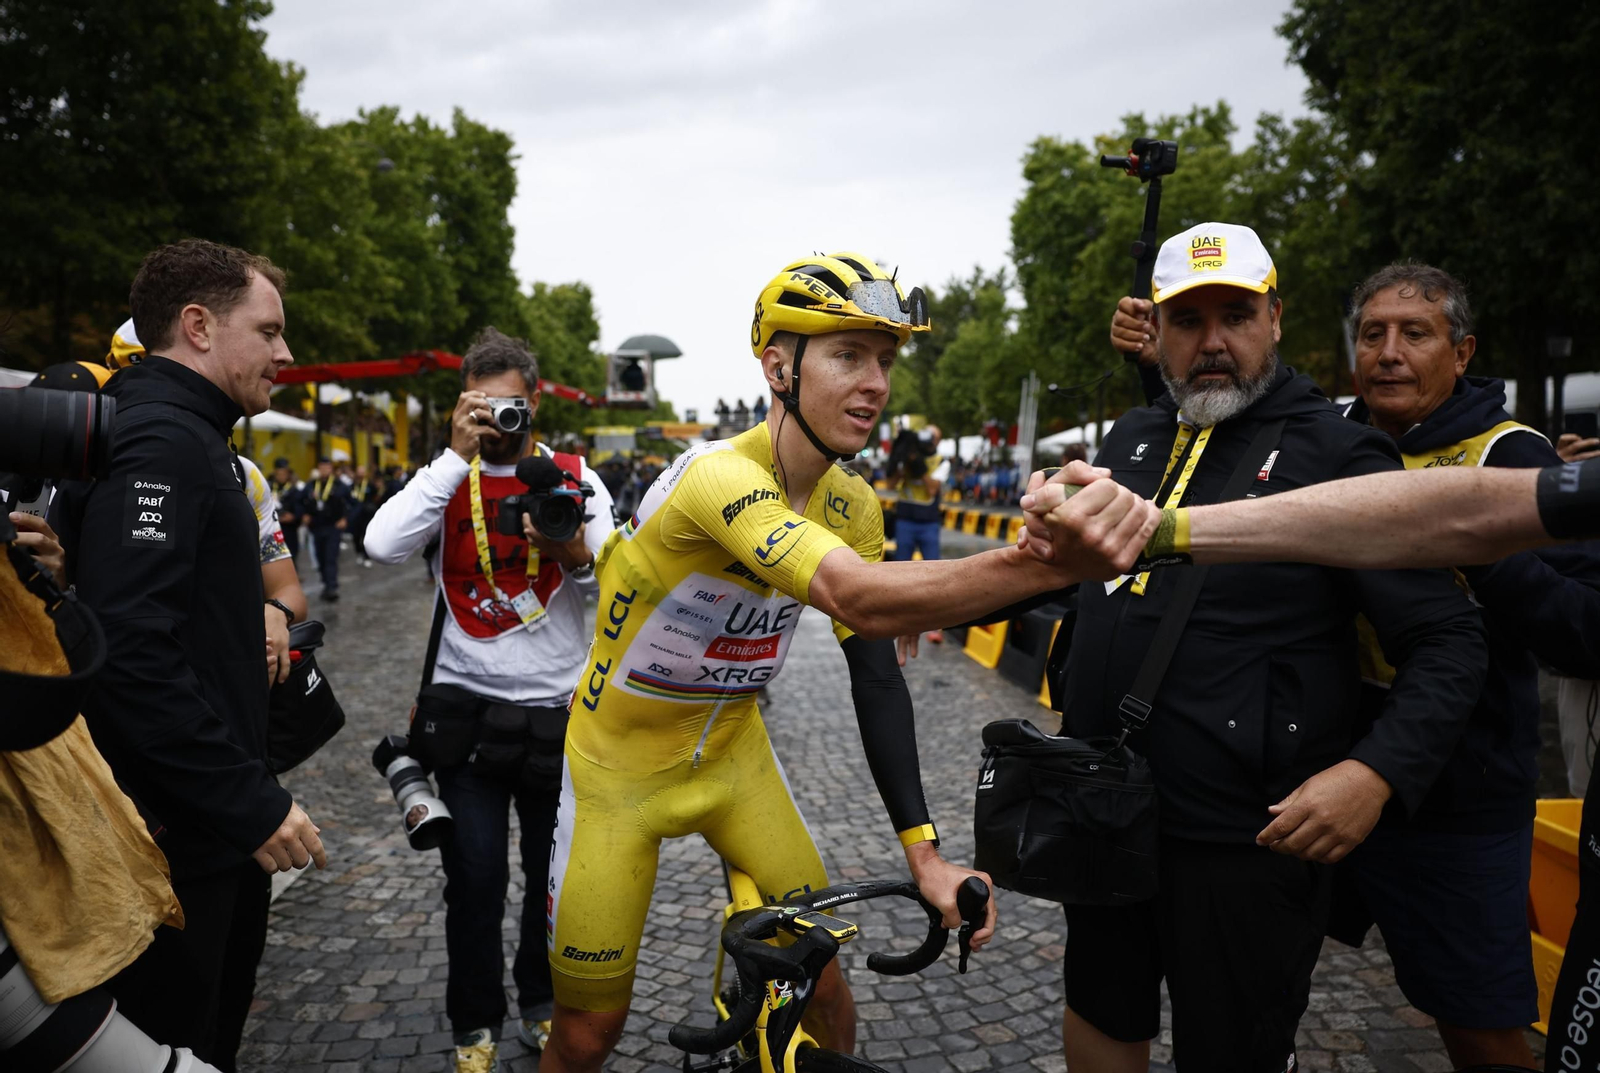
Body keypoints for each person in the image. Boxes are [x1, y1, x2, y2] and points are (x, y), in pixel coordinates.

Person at [540, 252, 1181, 1072]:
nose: (876, 382)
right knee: (589, 1034)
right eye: (848, 355)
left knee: (827, 993)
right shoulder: (715, 477)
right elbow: (861, 597)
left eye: (884, 359)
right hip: (615, 775)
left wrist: (925, 854)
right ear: (778, 365)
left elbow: (876, 672)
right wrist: (1053, 562)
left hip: (734, 757)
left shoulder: (853, 504)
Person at [1110, 261, 1600, 1067]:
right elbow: (1222, 403)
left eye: (1417, 334)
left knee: (1476, 1023)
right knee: (1266, 997)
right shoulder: (1331, 435)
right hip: (1317, 778)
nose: (1390, 353)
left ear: (1463, 350)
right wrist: (1155, 352)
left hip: (1457, 795)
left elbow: (1583, 631)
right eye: (1373, 334)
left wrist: (1455, 534)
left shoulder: (1514, 455)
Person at [1029, 222, 1487, 1073]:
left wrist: (1374, 774)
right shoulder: (1131, 435)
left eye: (1234, 315)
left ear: (1274, 318)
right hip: (1102, 805)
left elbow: (1449, 637)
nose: (1212, 343)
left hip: (1247, 839)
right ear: (1154, 329)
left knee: (1232, 1048)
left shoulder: (1338, 449)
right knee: (1099, 1011)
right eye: (1188, 319)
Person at [49, 239, 326, 1069]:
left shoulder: (179, 432)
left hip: (190, 829)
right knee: (186, 1045)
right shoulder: (166, 442)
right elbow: (131, 653)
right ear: (198, 326)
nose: (285, 355)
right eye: (269, 331)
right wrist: (249, 802)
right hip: (175, 843)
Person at [363, 327, 616, 1072]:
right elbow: (379, 545)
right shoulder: (446, 480)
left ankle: (543, 1005)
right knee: (474, 880)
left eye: (510, 407)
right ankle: (474, 1024)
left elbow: (621, 575)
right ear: (462, 406)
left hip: (558, 721)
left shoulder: (573, 476)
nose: (499, 422)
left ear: (533, 403)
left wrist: (568, 546)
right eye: (482, 407)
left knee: (552, 883)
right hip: (468, 723)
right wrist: (451, 456)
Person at [304, 455, 351, 600]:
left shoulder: (339, 486)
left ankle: (332, 587)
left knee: (331, 557)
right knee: (320, 557)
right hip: (317, 526)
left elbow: (352, 503)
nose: (324, 470)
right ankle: (325, 584)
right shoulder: (312, 485)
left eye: (327, 467)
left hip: (333, 527)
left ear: (331, 469)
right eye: (321, 467)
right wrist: (304, 514)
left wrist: (345, 518)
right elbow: (301, 501)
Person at [269, 457, 305, 561]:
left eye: (284, 473)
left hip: (289, 529)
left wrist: (294, 517)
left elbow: (300, 507)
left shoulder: (294, 490)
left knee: (291, 555)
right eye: (279, 473)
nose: (282, 476)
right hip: (273, 528)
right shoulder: (269, 487)